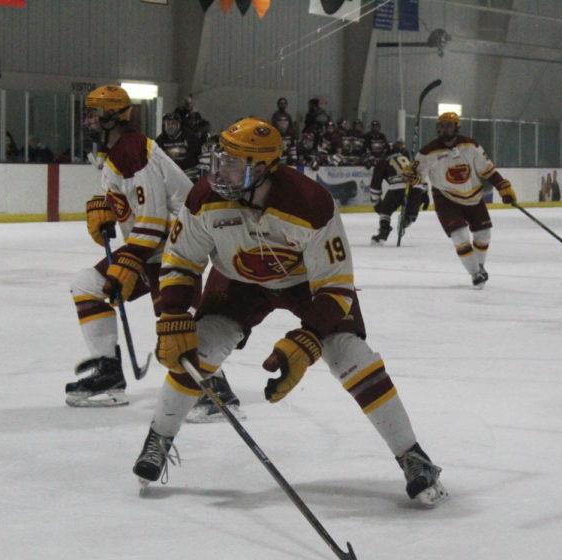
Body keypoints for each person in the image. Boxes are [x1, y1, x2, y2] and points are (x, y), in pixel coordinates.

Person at [131, 118, 448, 507]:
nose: (220, 170)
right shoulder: (203, 200)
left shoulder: (311, 205)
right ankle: (158, 438)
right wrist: (173, 312)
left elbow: (335, 285)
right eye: (221, 158)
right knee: (201, 348)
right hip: (238, 281)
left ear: (263, 167)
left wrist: (309, 339)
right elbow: (181, 259)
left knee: (349, 354)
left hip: (306, 285)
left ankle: (413, 456)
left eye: (233, 162)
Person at [66, 85, 243, 418]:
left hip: (180, 245)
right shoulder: (118, 152)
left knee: (173, 320)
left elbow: (155, 218)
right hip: (153, 248)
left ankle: (214, 390)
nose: (86, 120)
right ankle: (109, 373)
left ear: (112, 116)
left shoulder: (132, 151)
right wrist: (108, 212)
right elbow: (139, 213)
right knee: (87, 285)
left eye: (93, 113)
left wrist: (129, 259)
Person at [408, 112, 517, 288]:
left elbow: (487, 170)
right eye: (442, 126)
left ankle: (479, 267)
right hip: (446, 198)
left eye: (449, 126)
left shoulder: (471, 146)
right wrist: (413, 179)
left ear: (457, 128)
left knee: (484, 234)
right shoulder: (427, 152)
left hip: (473, 196)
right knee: (459, 235)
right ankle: (475, 274)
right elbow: (418, 177)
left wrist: (502, 186)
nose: (444, 129)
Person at [369, 141, 428, 246]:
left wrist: (376, 202)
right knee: (411, 211)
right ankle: (407, 219)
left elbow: (375, 186)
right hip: (416, 186)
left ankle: (383, 232)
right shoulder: (405, 157)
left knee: (385, 211)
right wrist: (424, 192)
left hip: (397, 187)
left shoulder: (382, 161)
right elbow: (418, 174)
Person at [155, 112, 202, 181]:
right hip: (168, 175)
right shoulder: (160, 140)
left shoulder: (190, 138)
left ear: (179, 125)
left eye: (173, 123)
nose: (170, 126)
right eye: (168, 124)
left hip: (188, 175)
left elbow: (197, 157)